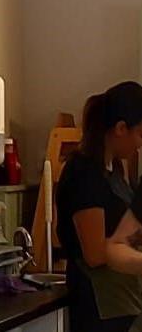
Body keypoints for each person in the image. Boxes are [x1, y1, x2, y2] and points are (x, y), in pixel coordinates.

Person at [56, 81, 142, 331]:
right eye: (140, 134)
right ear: (120, 128)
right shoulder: (83, 174)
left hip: (124, 303)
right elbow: (95, 254)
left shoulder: (114, 171)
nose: (140, 143)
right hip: (99, 308)